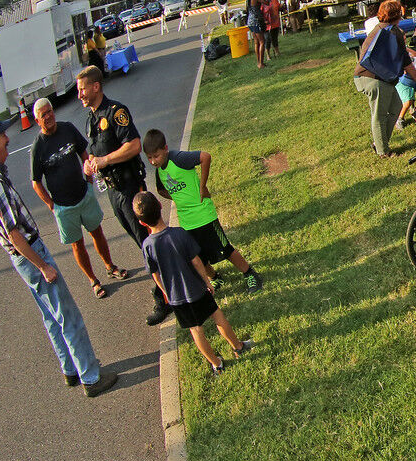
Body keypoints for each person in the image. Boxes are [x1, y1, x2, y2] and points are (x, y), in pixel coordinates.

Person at [0, 117, 118, 397]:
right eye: (3, 136)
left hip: (21, 262)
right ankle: (91, 377)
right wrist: (43, 266)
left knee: (51, 317)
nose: (8, 139)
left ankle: (70, 370)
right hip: (31, 255)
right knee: (68, 316)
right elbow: (14, 234)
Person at [76, 66, 172, 325]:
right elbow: (95, 152)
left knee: (147, 243)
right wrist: (91, 163)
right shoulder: (91, 119)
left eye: (83, 89)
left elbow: (134, 145)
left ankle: (165, 296)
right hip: (114, 192)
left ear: (96, 86)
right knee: (140, 242)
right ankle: (169, 284)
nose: (79, 95)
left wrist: (105, 159)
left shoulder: (115, 112)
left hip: (130, 188)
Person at [135, 191, 252, 377]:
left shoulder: (147, 246)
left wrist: (166, 292)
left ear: (142, 222)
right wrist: (207, 281)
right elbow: (197, 262)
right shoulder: (179, 234)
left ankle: (216, 363)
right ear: (160, 205)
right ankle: (238, 347)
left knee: (196, 330)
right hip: (197, 289)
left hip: (177, 298)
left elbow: (155, 274)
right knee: (217, 315)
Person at [30, 98, 128, 299]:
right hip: (64, 207)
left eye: (50, 112)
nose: (48, 117)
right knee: (77, 244)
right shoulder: (38, 147)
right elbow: (36, 182)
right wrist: (51, 204)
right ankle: (93, 280)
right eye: (43, 115)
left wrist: (89, 181)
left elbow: (84, 153)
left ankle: (110, 266)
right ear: (37, 120)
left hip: (84, 195)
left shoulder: (67, 129)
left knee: (97, 232)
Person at [142, 129, 264, 291]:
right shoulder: (160, 170)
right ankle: (214, 277)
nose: (153, 161)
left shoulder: (178, 158)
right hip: (187, 222)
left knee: (224, 248)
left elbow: (205, 157)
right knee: (197, 255)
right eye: (149, 158)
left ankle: (250, 274)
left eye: (155, 156)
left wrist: (202, 186)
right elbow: (161, 190)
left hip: (204, 215)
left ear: (165, 148)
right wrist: (178, 197)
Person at [354, 0, 416, 158]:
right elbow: (405, 59)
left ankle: (380, 142)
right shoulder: (394, 32)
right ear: (397, 14)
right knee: (379, 114)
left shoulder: (382, 29)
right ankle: (383, 151)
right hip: (371, 77)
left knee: (395, 107)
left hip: (376, 76)